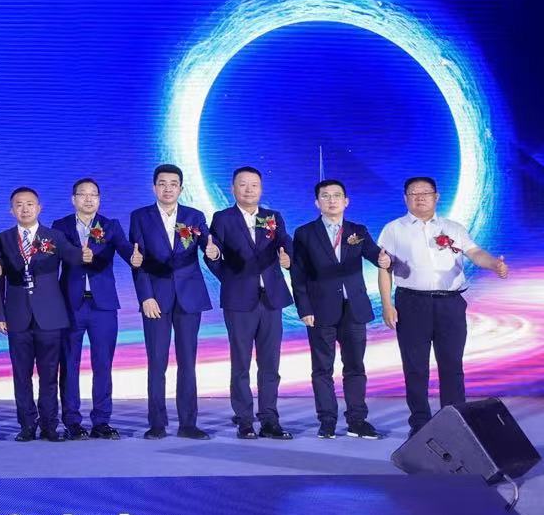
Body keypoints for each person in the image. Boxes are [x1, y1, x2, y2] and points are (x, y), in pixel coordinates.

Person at [379, 175, 509, 432]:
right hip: (411, 304)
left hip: (450, 304)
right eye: (413, 193)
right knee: (415, 367)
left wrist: (494, 264)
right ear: (405, 198)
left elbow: (475, 253)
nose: (420, 197)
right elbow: (385, 268)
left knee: (452, 365)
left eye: (425, 192)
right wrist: (386, 304)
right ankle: (419, 423)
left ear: (436, 197)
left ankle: (455, 423)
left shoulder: (453, 228)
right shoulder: (393, 229)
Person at [288, 178, 392, 439]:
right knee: (322, 368)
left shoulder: (358, 230)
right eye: (325, 196)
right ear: (317, 202)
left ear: (346, 201)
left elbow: (375, 255)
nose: (331, 200)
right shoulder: (305, 233)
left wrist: (384, 259)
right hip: (320, 309)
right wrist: (304, 308)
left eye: (336, 195)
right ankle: (327, 420)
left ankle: (357, 420)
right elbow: (298, 274)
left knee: (355, 366)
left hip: (354, 308)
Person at [205, 166, 295, 440]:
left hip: (271, 300)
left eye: (254, 185)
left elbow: (285, 242)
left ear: (261, 189)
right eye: (242, 184)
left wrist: (288, 257)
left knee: (270, 364)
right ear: (233, 188)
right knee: (241, 363)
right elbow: (213, 252)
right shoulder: (223, 218)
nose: (248, 189)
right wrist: (222, 267)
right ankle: (244, 420)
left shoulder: (272, 217)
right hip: (239, 301)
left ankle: (270, 420)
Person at [127, 163, 214, 440]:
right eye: (162, 183)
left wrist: (213, 252)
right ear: (154, 187)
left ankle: (188, 423)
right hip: (156, 298)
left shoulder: (194, 216)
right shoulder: (140, 217)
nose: (168, 188)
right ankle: (157, 423)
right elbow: (138, 260)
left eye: (173, 184)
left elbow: (207, 245)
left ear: (181, 188)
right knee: (157, 362)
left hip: (189, 297)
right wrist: (146, 296)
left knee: (188, 361)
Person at [52, 178, 130, 439]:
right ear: (73, 199)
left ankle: (101, 421)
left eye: (93, 194)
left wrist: (135, 257)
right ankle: (72, 421)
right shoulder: (60, 226)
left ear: (99, 199)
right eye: (82, 194)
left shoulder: (110, 225)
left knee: (103, 364)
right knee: (69, 363)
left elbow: (126, 250)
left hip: (103, 306)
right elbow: (55, 259)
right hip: (71, 304)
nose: (88, 199)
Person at [0, 188, 69, 441]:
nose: (24, 209)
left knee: (49, 375)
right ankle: (27, 425)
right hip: (17, 315)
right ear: (11, 210)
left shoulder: (55, 236)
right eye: (19, 205)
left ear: (39, 208)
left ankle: (50, 425)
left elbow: (74, 258)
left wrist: (87, 254)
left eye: (29, 204)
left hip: (50, 315)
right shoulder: (3, 239)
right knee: (21, 375)